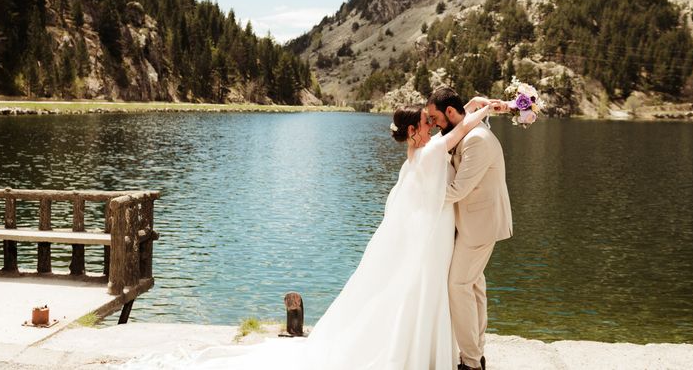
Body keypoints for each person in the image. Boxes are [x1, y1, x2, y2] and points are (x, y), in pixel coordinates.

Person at [120, 98, 497, 370]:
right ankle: (424, 353)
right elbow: (462, 128)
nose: (433, 125)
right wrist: (484, 107)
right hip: (429, 240)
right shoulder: (430, 153)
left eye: (432, 122)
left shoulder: (415, 156)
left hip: (426, 237)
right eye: (427, 123)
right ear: (414, 130)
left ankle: (422, 349)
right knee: (421, 293)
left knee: (415, 294)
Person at [426, 86, 513, 370]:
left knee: (458, 285)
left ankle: (471, 363)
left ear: (450, 112)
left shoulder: (476, 140)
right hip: (471, 223)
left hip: (481, 224)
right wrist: (475, 105)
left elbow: (459, 189)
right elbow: (461, 122)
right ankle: (476, 354)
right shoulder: (465, 128)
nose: (434, 124)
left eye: (436, 117)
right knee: (473, 287)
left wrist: (421, 199)